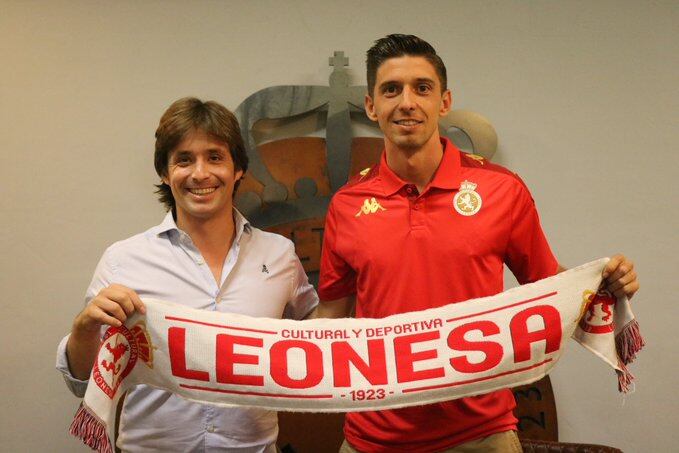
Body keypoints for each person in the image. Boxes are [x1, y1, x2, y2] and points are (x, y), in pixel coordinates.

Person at [313, 34, 639, 453]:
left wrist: (607, 281)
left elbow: (550, 285)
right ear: (372, 106)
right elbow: (331, 320)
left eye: (422, 88)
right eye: (391, 89)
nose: (407, 102)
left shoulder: (501, 189)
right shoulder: (347, 203)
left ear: (444, 102)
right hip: (373, 438)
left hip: (482, 434)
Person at [56, 97, 318, 453]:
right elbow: (81, 380)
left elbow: (320, 340)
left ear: (238, 168)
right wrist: (84, 327)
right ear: (165, 173)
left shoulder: (280, 256)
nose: (200, 173)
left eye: (214, 157)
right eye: (184, 159)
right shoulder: (124, 260)